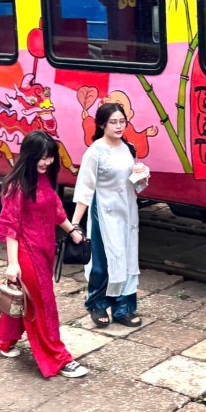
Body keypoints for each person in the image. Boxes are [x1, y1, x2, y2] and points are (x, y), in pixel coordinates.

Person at [0, 129, 90, 378]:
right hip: (27, 254)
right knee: (42, 305)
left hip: (45, 250)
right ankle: (58, 358)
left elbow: (55, 209)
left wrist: (72, 231)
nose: (48, 162)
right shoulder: (16, 186)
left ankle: (4, 339)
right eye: (43, 157)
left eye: (50, 156)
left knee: (26, 299)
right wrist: (13, 264)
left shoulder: (42, 178)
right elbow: (11, 227)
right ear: (30, 155)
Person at [71, 102, 150, 328]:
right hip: (104, 214)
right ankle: (96, 304)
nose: (118, 126)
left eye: (122, 121)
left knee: (127, 259)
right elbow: (84, 189)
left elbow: (132, 184)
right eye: (113, 122)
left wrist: (141, 175)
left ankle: (123, 308)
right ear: (102, 124)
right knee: (104, 261)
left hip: (128, 213)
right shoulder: (94, 152)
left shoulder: (129, 148)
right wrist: (75, 224)